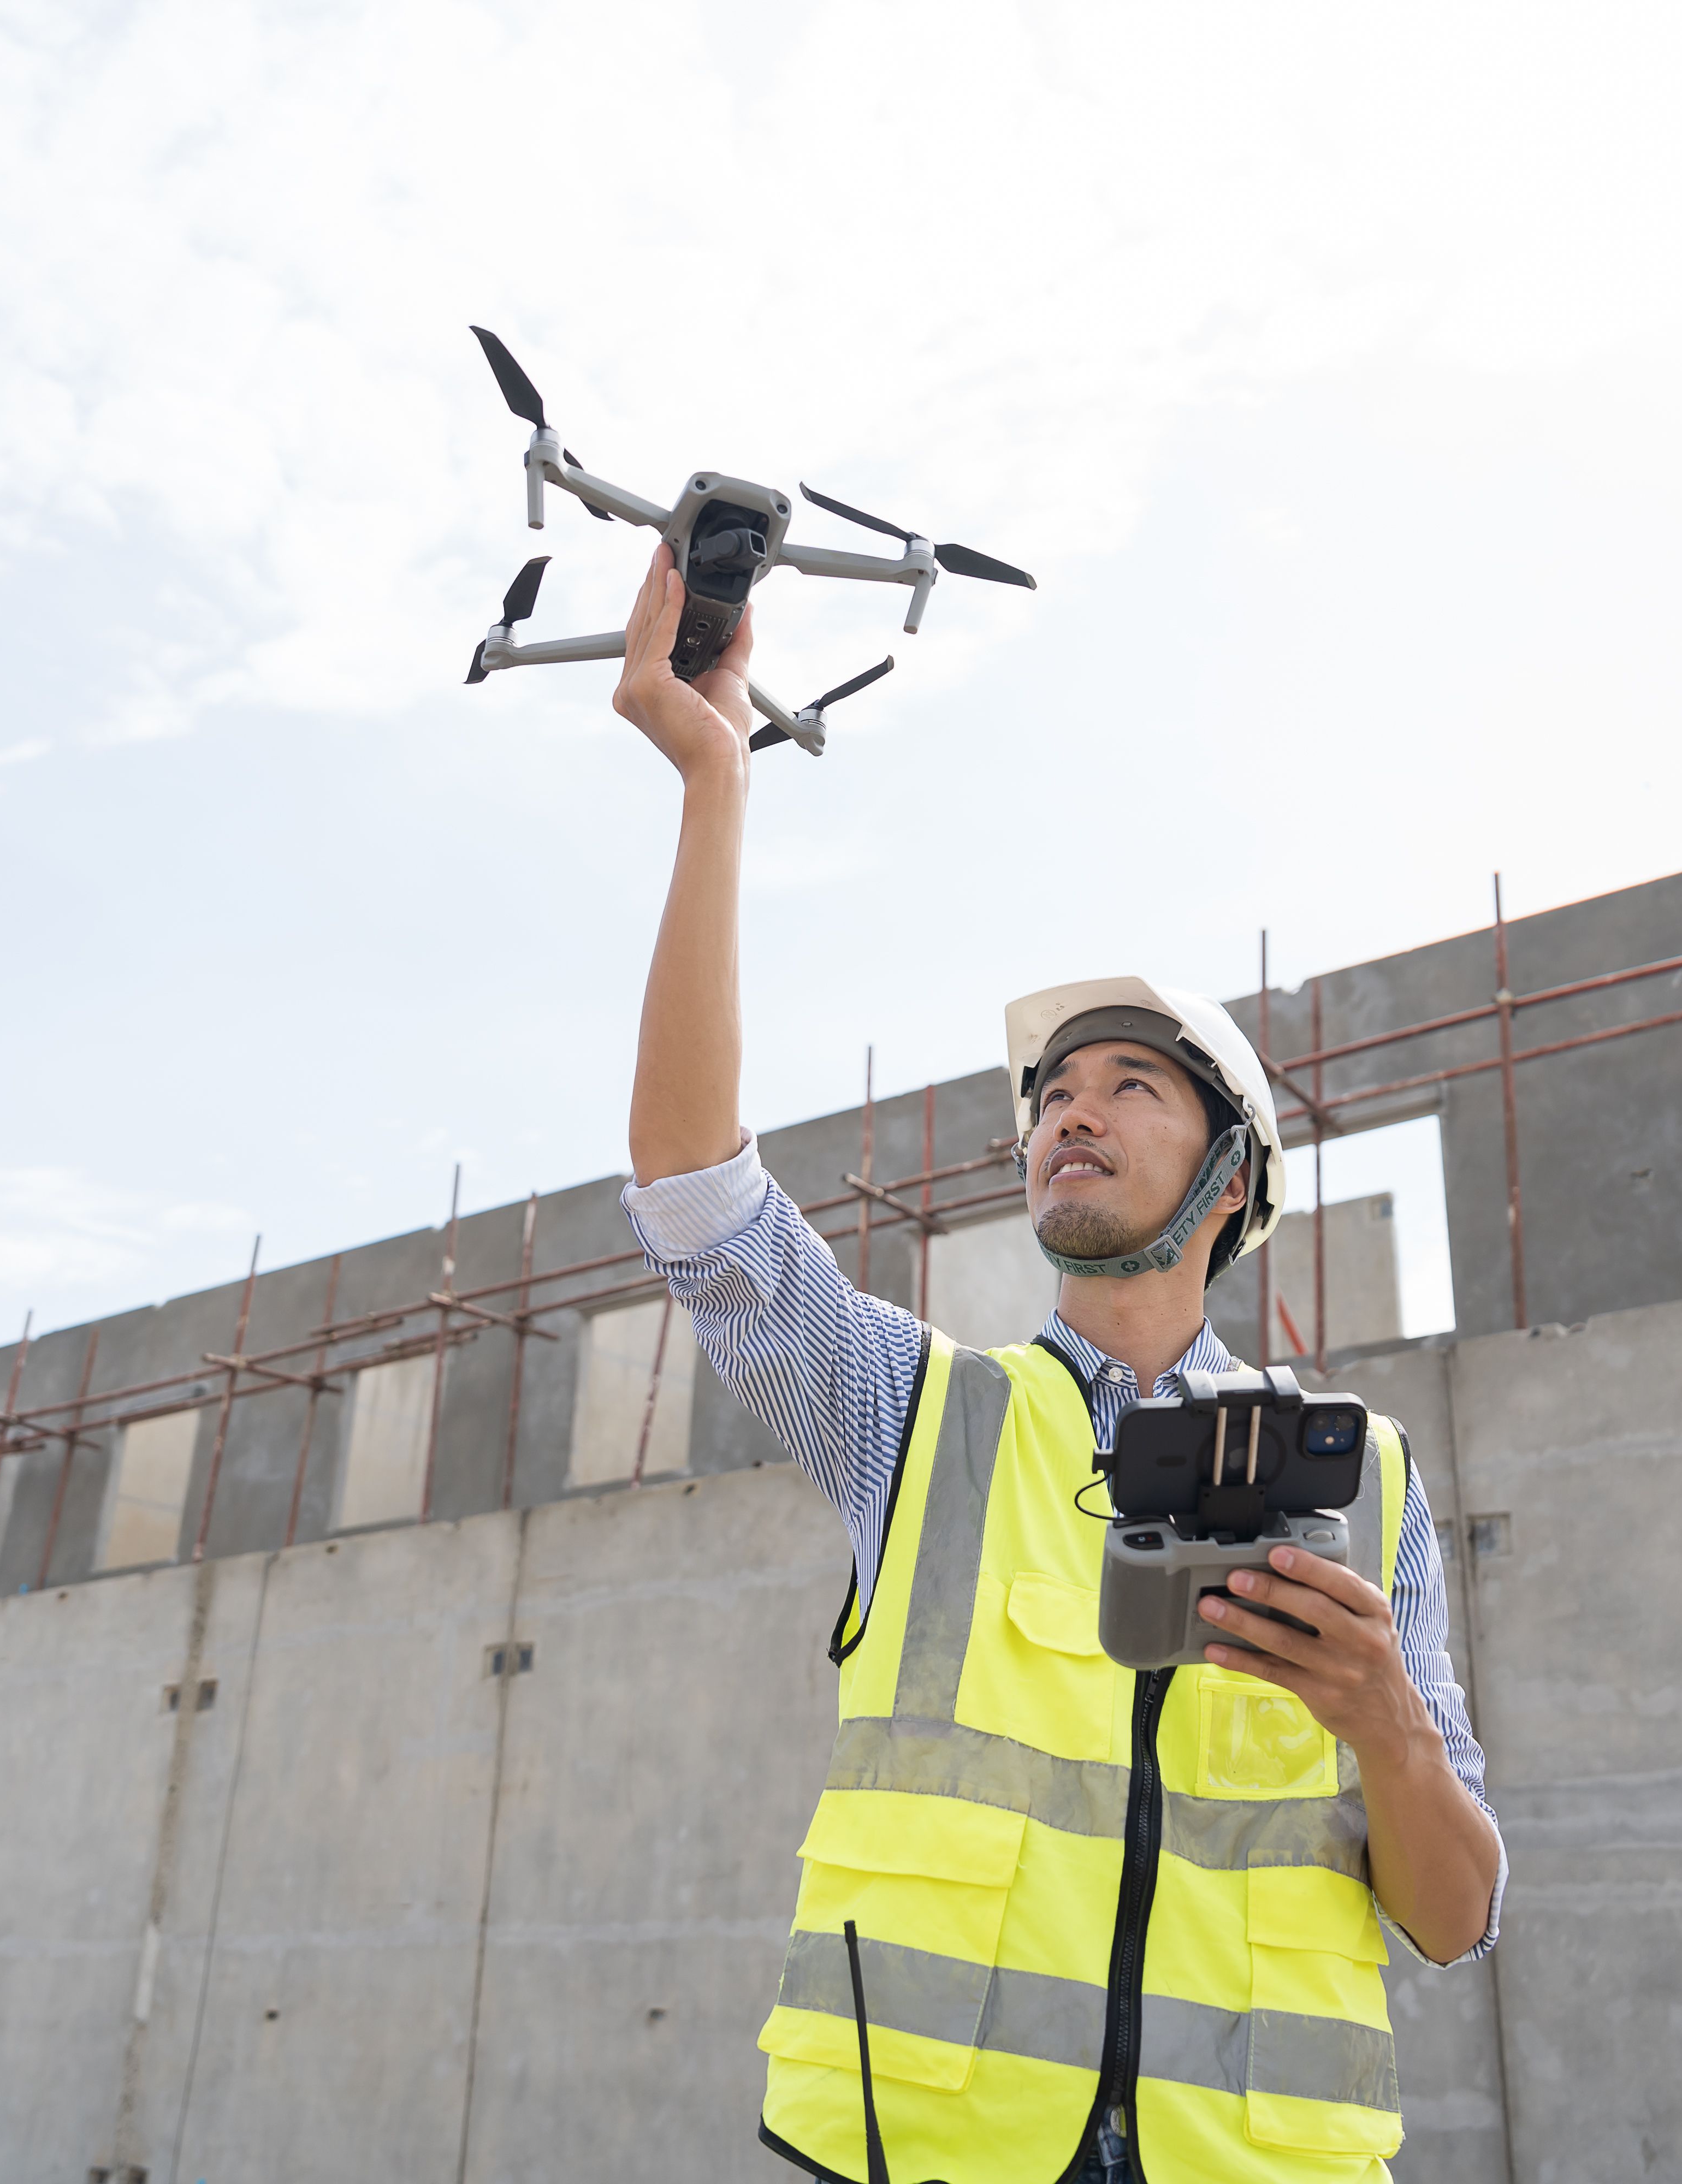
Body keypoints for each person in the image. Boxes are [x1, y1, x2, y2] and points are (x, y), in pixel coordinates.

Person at [609, 547, 1503, 2183]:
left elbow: (1453, 1922)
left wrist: (1392, 1728)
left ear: (1233, 1183)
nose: (1068, 1113)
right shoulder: (918, 1414)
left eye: (1129, 1088)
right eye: (1052, 1094)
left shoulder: (1362, 1482)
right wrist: (715, 783)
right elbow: (694, 1191)